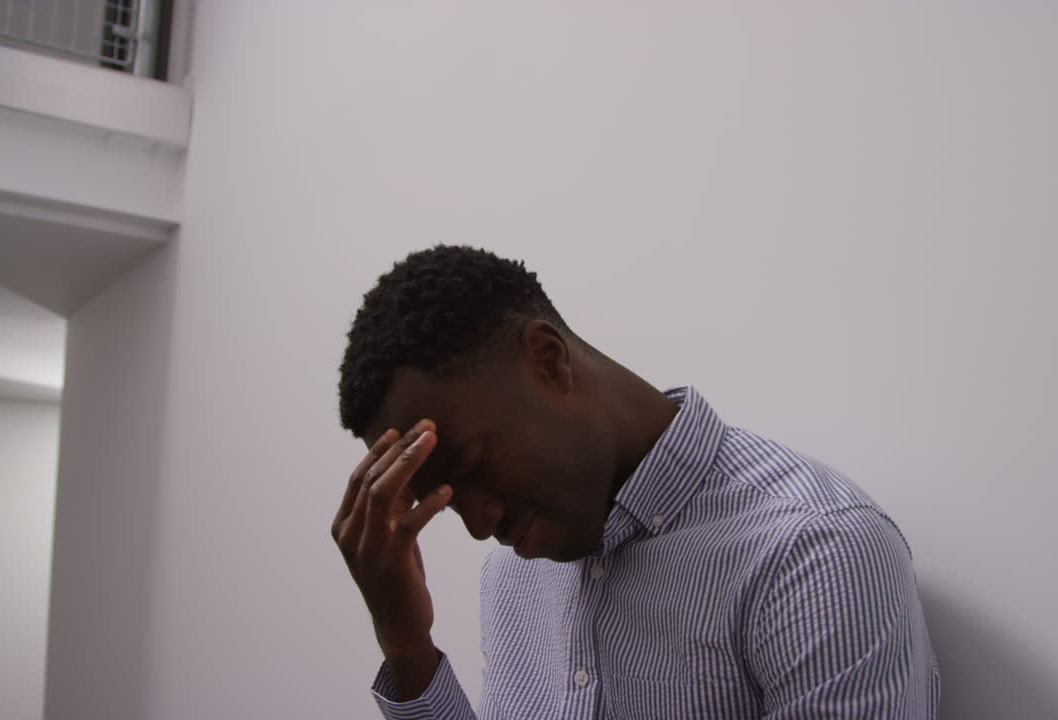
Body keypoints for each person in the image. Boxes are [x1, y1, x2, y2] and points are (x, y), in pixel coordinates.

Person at [331, 245, 940, 719]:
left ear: (547, 360)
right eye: (440, 500)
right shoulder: (515, 576)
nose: (479, 524)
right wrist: (407, 646)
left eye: (469, 467)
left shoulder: (816, 554)